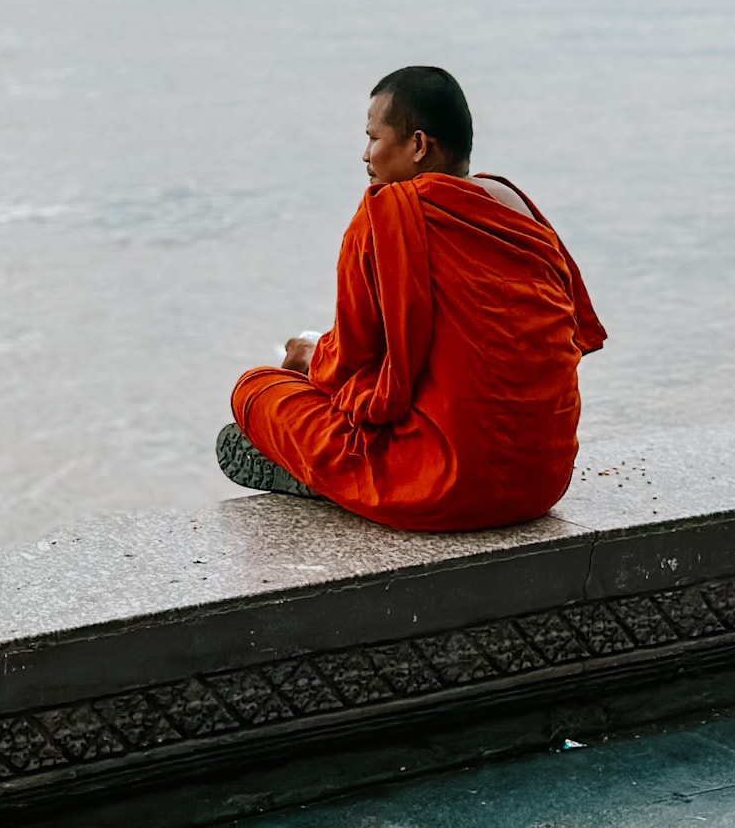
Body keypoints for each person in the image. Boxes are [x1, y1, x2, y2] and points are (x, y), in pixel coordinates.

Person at [216, 65, 604, 531]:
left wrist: (310, 354)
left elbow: (355, 372)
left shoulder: (387, 215)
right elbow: (569, 333)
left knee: (256, 388)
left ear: (418, 145)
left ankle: (323, 478)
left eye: (374, 138)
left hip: (445, 487)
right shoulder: (515, 205)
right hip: (543, 480)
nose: (365, 155)